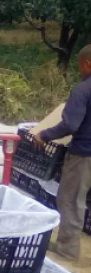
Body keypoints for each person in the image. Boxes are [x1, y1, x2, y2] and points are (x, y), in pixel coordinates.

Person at [35, 45, 91, 261]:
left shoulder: (82, 90)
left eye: (79, 66)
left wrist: (44, 135)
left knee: (70, 199)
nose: (79, 70)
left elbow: (70, 124)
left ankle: (67, 248)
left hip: (84, 155)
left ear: (87, 64)